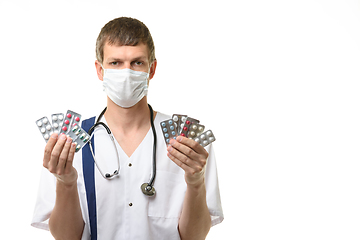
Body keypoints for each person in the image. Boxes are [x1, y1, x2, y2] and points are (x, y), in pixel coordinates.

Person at [31, 17, 223, 240]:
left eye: (137, 63)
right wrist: (65, 182)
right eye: (115, 63)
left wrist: (195, 182)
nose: (126, 72)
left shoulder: (188, 143)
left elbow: (194, 237)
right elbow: (66, 237)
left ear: (152, 69)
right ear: (100, 69)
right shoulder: (69, 144)